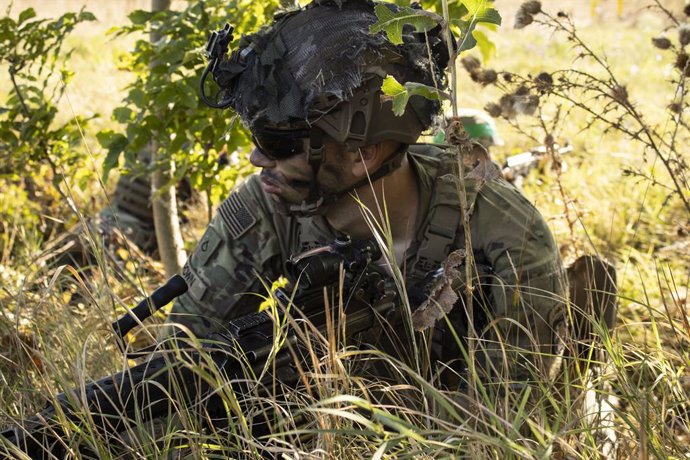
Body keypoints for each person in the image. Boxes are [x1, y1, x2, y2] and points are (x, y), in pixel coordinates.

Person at [165, 0, 568, 390]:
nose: (256, 159)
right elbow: (178, 362)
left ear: (361, 155)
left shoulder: (499, 225)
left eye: (277, 142)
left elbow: (515, 407)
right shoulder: (266, 206)